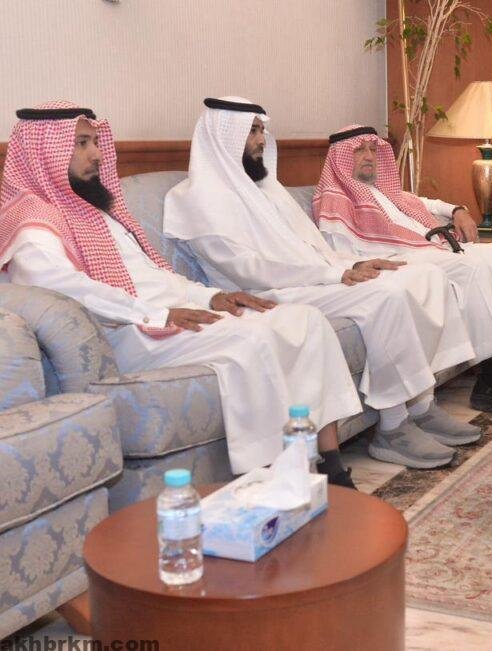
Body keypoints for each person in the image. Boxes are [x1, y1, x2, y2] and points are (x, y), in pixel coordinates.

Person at [0, 102, 362, 486]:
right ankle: (273, 481)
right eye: (81, 143)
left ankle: (330, 463)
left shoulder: (95, 211)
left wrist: (211, 297)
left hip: (165, 313)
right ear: (44, 152)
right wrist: (159, 316)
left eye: (95, 142)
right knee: (253, 339)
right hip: (125, 332)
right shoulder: (33, 225)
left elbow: (155, 276)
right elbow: (68, 293)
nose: (96, 154)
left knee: (305, 319)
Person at [164, 98, 483, 469]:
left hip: (312, 278)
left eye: (262, 130)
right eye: (252, 131)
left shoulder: (268, 190)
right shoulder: (195, 197)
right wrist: (332, 275)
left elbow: (312, 247)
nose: (262, 140)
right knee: (385, 296)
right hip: (266, 292)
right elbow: (245, 269)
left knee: (420, 274)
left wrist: (352, 264)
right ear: (224, 136)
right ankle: (393, 427)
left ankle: (423, 405)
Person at [312, 125, 492, 414]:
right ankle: (491, 378)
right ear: (340, 157)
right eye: (359, 150)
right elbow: (340, 254)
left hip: (432, 248)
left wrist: (457, 210)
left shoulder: (385, 190)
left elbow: (424, 203)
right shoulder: (335, 199)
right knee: (470, 268)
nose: (369, 156)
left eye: (373, 149)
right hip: (399, 259)